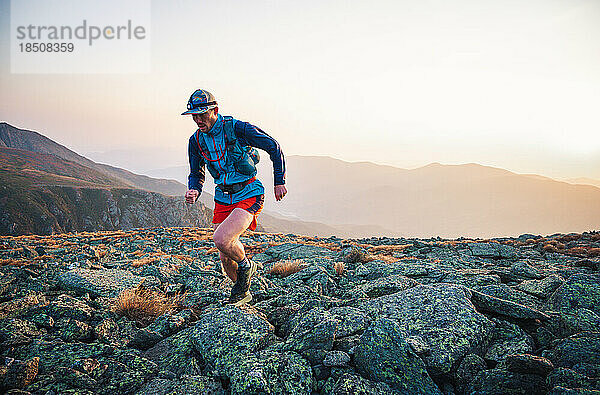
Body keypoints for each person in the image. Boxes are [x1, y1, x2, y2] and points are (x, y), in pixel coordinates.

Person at [183, 89, 287, 306]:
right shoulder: (196, 141)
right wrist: (194, 189)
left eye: (202, 114)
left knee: (222, 239)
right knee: (224, 256)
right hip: (223, 196)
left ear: (215, 110)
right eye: (194, 115)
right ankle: (244, 292)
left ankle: (246, 270)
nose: (198, 119)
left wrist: (279, 181)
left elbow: (273, 147)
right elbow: (196, 173)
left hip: (249, 192)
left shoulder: (238, 128)